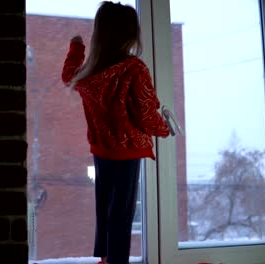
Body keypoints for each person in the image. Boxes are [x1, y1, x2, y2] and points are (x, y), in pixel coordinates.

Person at [61, 2, 170, 264]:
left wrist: (76, 48)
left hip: (102, 150)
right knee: (122, 210)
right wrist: (163, 128)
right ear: (130, 35)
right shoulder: (134, 69)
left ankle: (107, 257)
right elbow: (145, 113)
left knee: (106, 207)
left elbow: (68, 76)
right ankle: (117, 260)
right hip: (128, 151)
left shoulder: (90, 72)